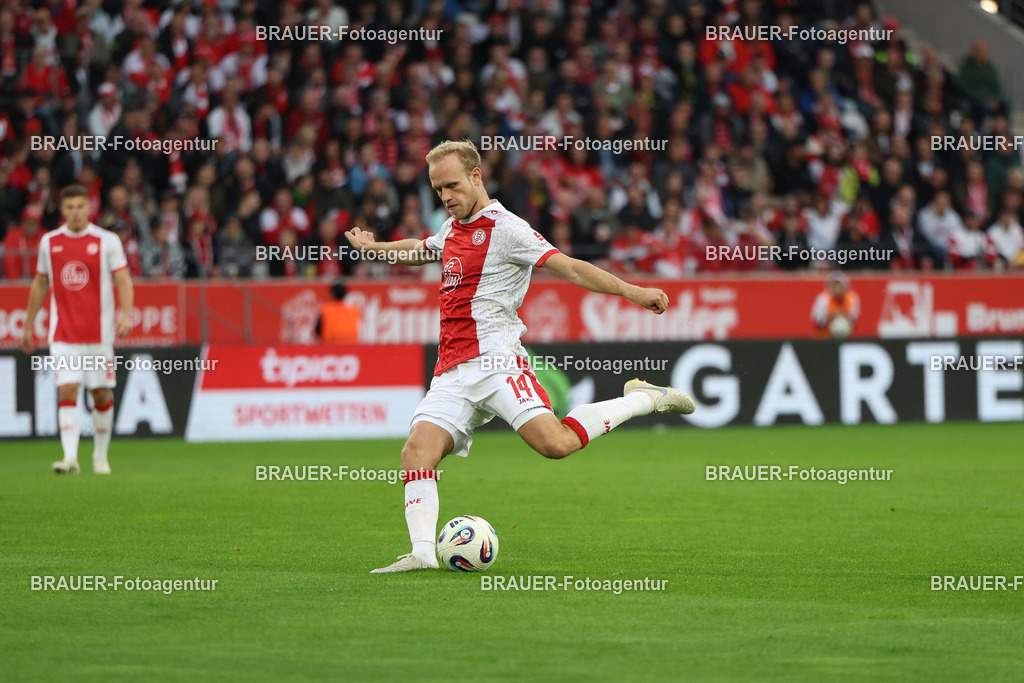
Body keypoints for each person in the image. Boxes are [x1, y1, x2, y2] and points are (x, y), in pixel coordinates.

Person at [344, 141, 695, 573]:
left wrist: (633, 292)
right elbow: (422, 249)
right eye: (438, 191)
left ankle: (645, 398)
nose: (446, 197)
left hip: (496, 361)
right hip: (451, 371)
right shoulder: (452, 229)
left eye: (452, 185)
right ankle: (421, 553)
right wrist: (375, 248)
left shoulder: (508, 228)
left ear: (476, 177)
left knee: (556, 444)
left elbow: (570, 267)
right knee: (416, 451)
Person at [19, 185, 134, 475]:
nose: (76, 212)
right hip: (64, 334)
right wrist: (29, 324)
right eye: (70, 207)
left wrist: (126, 314)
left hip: (99, 334)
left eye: (81, 206)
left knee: (100, 395)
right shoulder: (50, 241)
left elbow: (123, 278)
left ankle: (100, 455)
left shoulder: (106, 240)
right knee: (68, 388)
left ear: (89, 208)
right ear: (62, 210)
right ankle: (69, 457)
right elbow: (40, 282)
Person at [811, 272, 860, 339]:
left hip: (846, 335)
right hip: (824, 335)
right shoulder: (824, 298)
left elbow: (854, 319)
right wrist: (830, 315)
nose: (838, 288)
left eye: (840, 286)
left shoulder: (851, 298)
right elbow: (817, 319)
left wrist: (843, 314)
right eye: (835, 286)